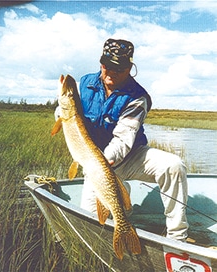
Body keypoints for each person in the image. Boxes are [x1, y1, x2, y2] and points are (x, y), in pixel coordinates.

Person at [72, 38, 188, 241]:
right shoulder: (85, 83)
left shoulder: (137, 96)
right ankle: (122, 191)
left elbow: (123, 139)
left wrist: (103, 165)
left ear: (129, 68)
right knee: (90, 220)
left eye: (120, 67)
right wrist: (62, 113)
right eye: (108, 65)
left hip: (130, 155)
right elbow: (70, 113)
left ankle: (177, 236)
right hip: (94, 163)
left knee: (173, 165)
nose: (112, 72)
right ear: (101, 63)